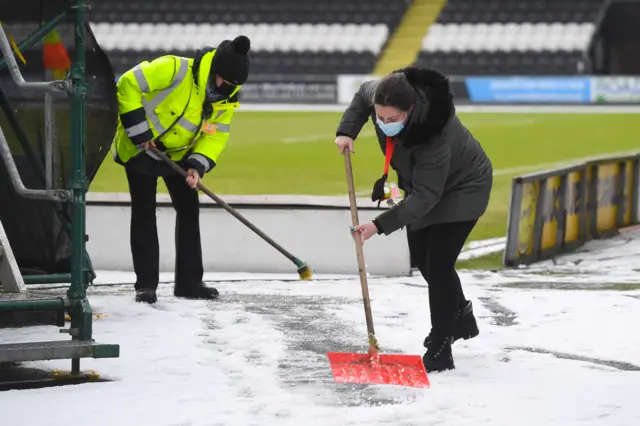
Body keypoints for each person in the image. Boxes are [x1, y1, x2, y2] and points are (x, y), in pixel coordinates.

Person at [334, 66, 493, 373]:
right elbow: (361, 97)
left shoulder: (435, 134)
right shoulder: (380, 94)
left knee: (439, 263)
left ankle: (440, 343)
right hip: (424, 185)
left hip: (463, 188)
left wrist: (378, 226)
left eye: (391, 120)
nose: (383, 123)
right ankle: (460, 314)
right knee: (422, 259)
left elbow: (426, 198)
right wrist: (346, 131)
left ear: (411, 110)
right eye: (379, 117)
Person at [112, 35, 251, 304]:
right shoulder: (174, 68)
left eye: (233, 85)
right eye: (224, 80)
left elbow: (215, 135)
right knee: (144, 212)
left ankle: (188, 282)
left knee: (189, 210)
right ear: (214, 70)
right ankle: (146, 285)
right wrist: (140, 131)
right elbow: (127, 83)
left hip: (179, 155)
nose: (225, 87)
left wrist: (197, 166)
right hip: (141, 148)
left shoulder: (226, 98)